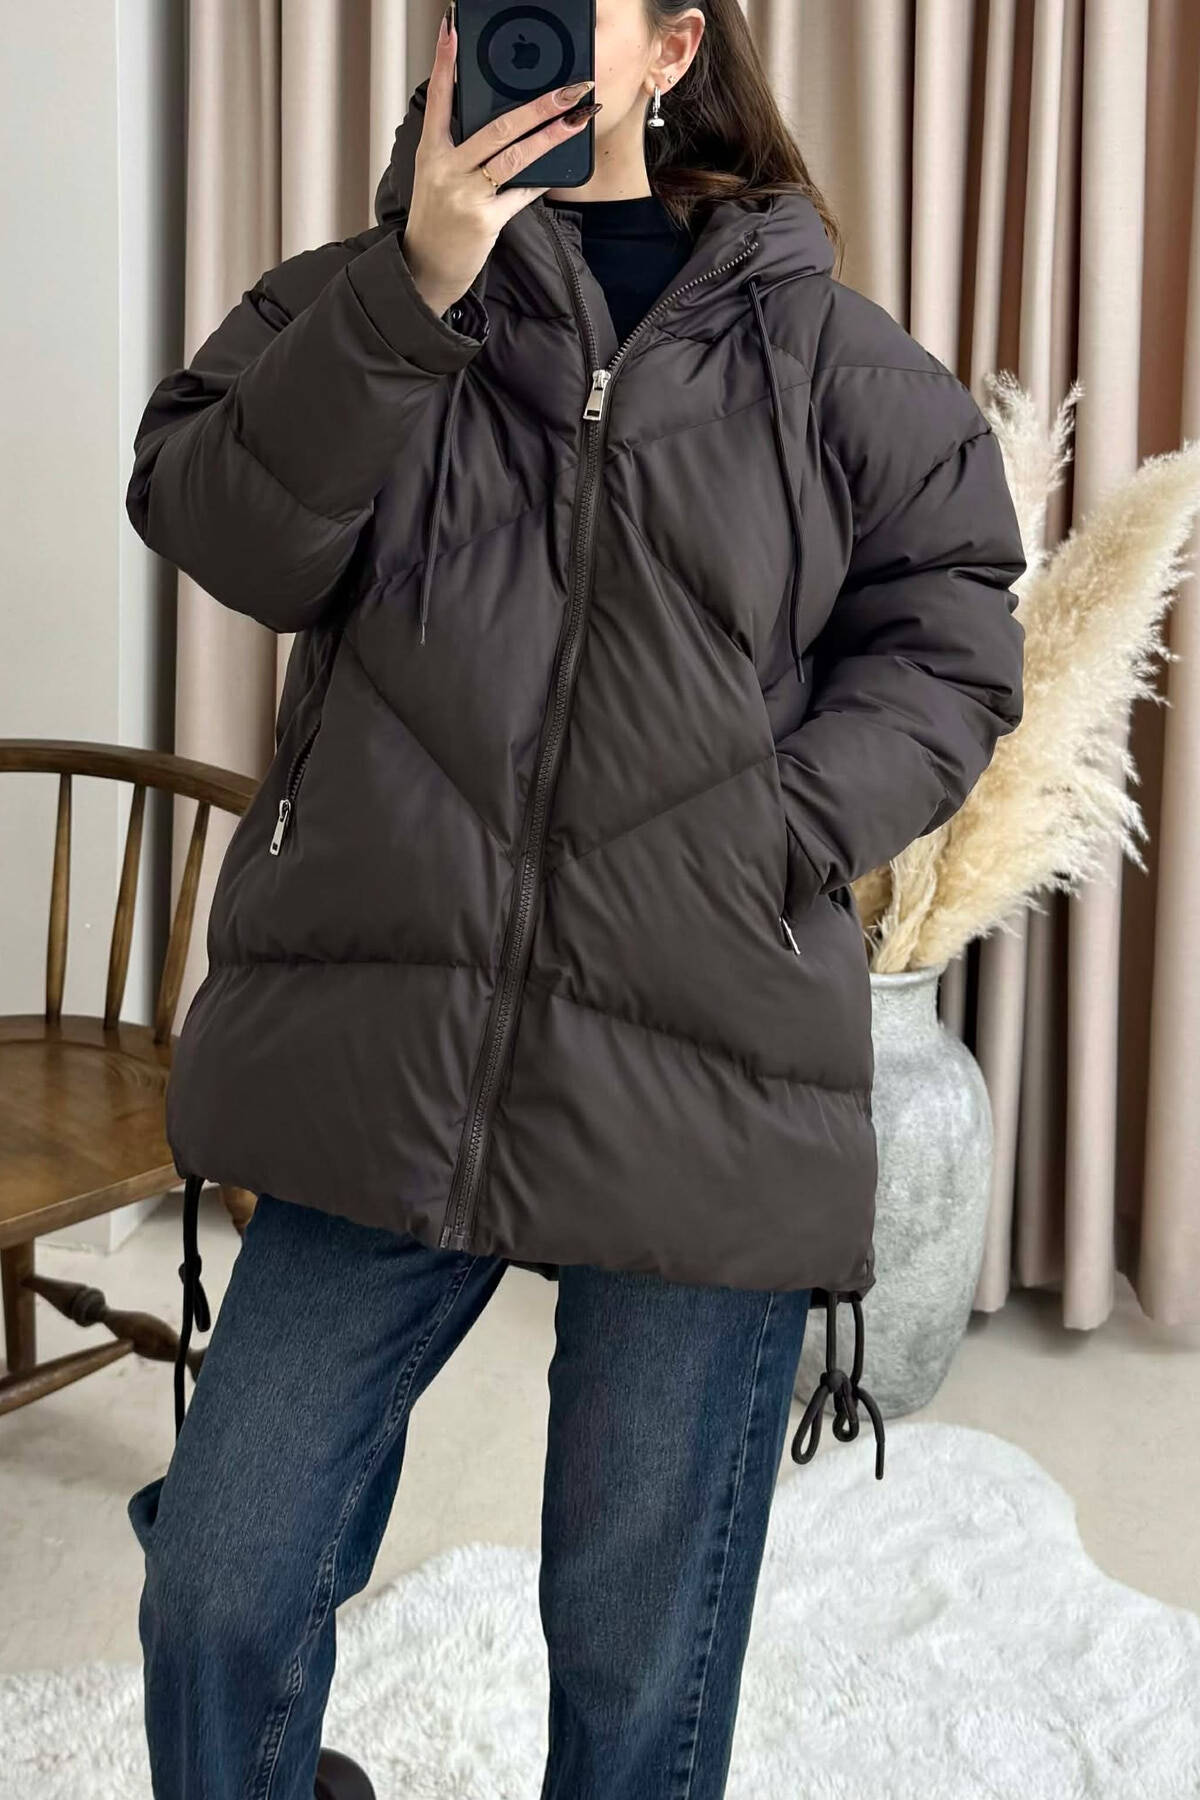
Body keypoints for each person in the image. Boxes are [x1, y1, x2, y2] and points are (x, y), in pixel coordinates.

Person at [123, 1, 1026, 1795]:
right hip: (390, 1044)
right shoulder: (361, 301)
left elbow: (954, 642)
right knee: (219, 1589)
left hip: (700, 1058)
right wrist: (412, 291)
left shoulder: (828, 362)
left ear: (670, 51)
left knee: (634, 1663)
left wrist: (770, 829)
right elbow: (216, 524)